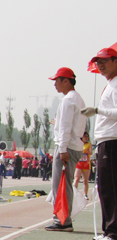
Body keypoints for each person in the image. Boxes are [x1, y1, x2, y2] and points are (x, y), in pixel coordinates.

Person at [81, 46, 117, 240]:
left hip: (112, 142)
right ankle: (110, 231)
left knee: (109, 188)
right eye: (98, 62)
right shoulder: (111, 84)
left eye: (105, 60)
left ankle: (112, 233)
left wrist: (97, 110)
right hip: (106, 141)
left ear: (116, 62)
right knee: (106, 187)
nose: (100, 64)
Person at [44, 67, 86, 232]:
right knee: (65, 184)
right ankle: (63, 219)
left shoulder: (68, 100)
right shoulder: (78, 98)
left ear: (66, 81)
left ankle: (62, 220)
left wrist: (62, 148)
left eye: (57, 81)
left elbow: (66, 127)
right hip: (73, 146)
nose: (55, 85)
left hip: (66, 148)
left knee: (60, 185)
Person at [73, 131, 91, 199]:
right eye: (85, 136)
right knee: (76, 178)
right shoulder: (79, 144)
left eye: (87, 137)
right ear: (82, 137)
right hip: (79, 164)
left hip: (86, 165)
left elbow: (91, 152)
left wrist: (88, 151)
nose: (86, 138)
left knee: (85, 180)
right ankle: (74, 193)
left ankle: (86, 194)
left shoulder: (89, 144)